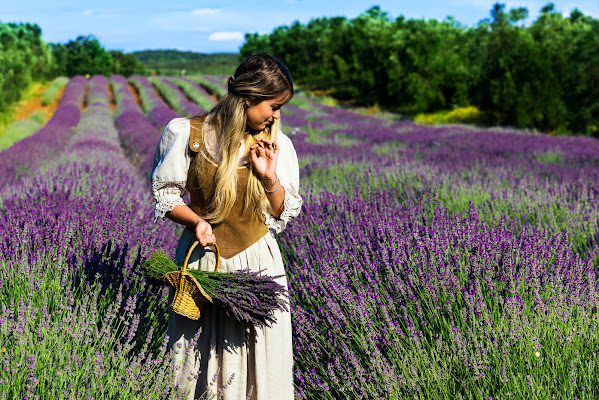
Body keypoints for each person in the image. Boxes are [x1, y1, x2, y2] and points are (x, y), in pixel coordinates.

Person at [150, 54, 302, 400]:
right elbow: (166, 195)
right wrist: (197, 221)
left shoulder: (279, 145)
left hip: (257, 266)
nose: (276, 116)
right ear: (246, 97)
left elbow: (282, 214)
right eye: (273, 106)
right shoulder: (186, 133)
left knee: (257, 356)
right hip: (204, 261)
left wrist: (269, 179)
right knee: (197, 353)